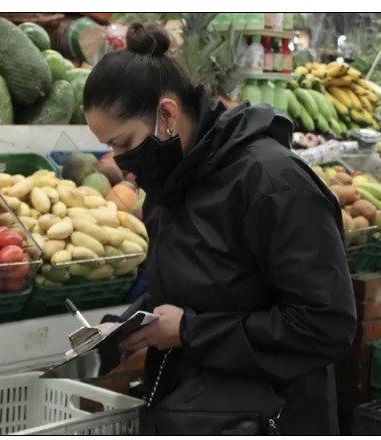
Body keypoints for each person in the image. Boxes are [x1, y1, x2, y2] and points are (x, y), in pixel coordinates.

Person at [82, 22, 357, 435]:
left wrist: (191, 332)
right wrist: (127, 325)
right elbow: (188, 285)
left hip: (272, 419)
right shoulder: (168, 182)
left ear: (167, 115)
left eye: (123, 143)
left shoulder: (272, 182)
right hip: (194, 411)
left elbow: (325, 324)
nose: (117, 159)